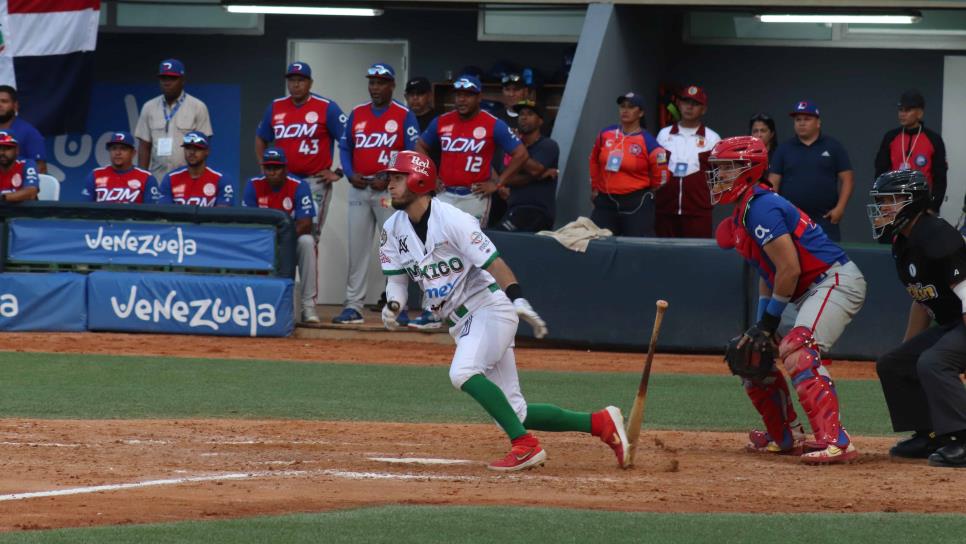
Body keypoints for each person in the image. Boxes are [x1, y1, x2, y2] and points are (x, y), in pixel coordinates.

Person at [378, 150, 630, 471]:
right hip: (460, 321)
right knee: (515, 412)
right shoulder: (392, 228)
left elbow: (494, 262)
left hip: (488, 307)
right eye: (391, 178)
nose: (390, 184)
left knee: (463, 373)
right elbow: (397, 279)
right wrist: (394, 303)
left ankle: (525, 446)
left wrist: (518, 298)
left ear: (419, 179)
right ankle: (601, 423)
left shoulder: (453, 219)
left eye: (397, 178)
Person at [711, 136, 866, 465]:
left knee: (798, 348)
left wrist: (769, 322)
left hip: (833, 280)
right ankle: (784, 437)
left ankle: (836, 440)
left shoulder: (761, 206)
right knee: (751, 355)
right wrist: (759, 329)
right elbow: (770, 275)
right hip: (804, 290)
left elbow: (790, 269)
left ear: (748, 170)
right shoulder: (746, 211)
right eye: (719, 168)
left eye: (726, 168)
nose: (719, 175)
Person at [869, 169, 966, 468]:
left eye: (890, 200)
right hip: (952, 321)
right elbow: (921, 300)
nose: (883, 207)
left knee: (934, 361)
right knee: (895, 363)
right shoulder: (904, 240)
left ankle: (963, 439)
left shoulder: (936, 234)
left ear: (912, 202)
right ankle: (930, 435)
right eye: (881, 200)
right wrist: (907, 351)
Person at [332, 63, 419, 325]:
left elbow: (412, 152)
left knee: (395, 247)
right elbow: (345, 147)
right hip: (360, 188)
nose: (375, 87)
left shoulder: (404, 114)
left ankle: (399, 305)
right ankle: (353, 306)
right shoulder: (357, 113)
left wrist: (392, 176)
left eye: (381, 82)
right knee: (357, 249)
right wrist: (349, 173)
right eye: (372, 82)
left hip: (388, 192)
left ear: (392, 85)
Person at [416, 75, 528, 226]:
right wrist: (431, 175)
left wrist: (498, 183)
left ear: (479, 97)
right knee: (439, 243)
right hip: (444, 193)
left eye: (468, 95)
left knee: (470, 245)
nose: (461, 99)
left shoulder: (493, 123)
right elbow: (420, 145)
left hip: (474, 196)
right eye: (458, 95)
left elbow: (521, 154)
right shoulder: (442, 121)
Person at [255, 61, 345, 240]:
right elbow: (261, 137)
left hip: (315, 181)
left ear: (310, 83)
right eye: (292, 80)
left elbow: (349, 137)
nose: (295, 85)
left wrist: (339, 171)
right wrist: (263, 167)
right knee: (277, 234)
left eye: (301, 80)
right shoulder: (276, 106)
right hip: (284, 181)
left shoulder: (327, 107)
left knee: (309, 235)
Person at [242, 148, 319, 324]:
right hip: (262, 242)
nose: (272, 172)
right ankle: (251, 302)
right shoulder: (253, 185)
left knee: (307, 242)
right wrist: (270, 241)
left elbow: (305, 224)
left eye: (276, 167)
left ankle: (308, 306)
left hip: (290, 240)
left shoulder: (299, 185)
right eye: (268, 167)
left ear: (285, 169)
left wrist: (282, 240)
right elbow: (248, 222)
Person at [768, 101, 853, 242]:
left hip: (825, 220)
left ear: (818, 122)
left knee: (828, 261)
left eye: (807, 119)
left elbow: (848, 179)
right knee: (793, 261)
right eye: (798, 120)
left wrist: (840, 208)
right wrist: (774, 211)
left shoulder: (833, 146)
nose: (801, 123)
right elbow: (773, 182)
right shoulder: (783, 149)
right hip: (791, 219)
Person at [588, 92, 669, 237]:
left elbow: (661, 178)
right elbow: (594, 160)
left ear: (641, 113)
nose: (625, 110)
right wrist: (595, 187)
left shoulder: (650, 143)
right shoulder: (606, 134)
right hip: (605, 201)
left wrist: (643, 191)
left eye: (631, 107)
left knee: (636, 246)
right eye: (622, 106)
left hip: (635, 202)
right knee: (598, 242)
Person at [655, 85, 720, 238]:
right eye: (685, 102)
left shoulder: (713, 138)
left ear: (703, 109)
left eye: (695, 104)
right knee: (664, 257)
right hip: (665, 212)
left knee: (696, 259)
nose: (689, 107)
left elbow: (719, 175)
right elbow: (657, 169)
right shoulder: (663, 135)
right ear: (679, 104)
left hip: (699, 213)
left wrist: (707, 200)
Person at [135, 59, 213, 182]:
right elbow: (144, 147)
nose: (167, 82)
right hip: (157, 179)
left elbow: (203, 147)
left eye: (172, 78)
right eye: (163, 78)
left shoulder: (198, 106)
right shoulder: (149, 107)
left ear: (182, 80)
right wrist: (142, 180)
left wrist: (198, 179)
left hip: (187, 179)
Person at [874, 90, 947, 213]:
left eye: (907, 110)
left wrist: (933, 207)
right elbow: (880, 173)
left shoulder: (934, 139)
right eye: (900, 110)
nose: (902, 114)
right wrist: (882, 202)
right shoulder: (890, 137)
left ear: (919, 113)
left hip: (922, 206)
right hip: (894, 204)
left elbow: (940, 178)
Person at [491, 101, 558, 232]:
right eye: (521, 114)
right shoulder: (510, 148)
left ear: (540, 121)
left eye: (530, 114)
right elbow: (506, 177)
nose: (524, 117)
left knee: (500, 235)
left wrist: (517, 151)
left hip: (537, 210)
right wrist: (539, 176)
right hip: (513, 208)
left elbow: (535, 170)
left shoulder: (548, 145)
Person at [154, 131, 234, 207]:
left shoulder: (221, 179)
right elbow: (164, 211)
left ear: (207, 151)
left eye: (197, 148)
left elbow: (222, 214)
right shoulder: (170, 178)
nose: (192, 152)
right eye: (188, 148)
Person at [81, 132, 157, 204]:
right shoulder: (95, 175)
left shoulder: (146, 177)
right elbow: (85, 209)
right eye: (114, 148)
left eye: (123, 149)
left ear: (133, 153)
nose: (117, 153)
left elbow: (152, 212)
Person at [0, 85, 46, 174]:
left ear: (15, 105)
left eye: (4, 101)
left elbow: (41, 169)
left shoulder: (29, 132)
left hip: (18, 186)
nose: (0, 105)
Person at [0, 131, 39, 202]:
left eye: (7, 148)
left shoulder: (26, 164)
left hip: (23, 212)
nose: (2, 152)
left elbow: (31, 192)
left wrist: (3, 198)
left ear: (17, 150)